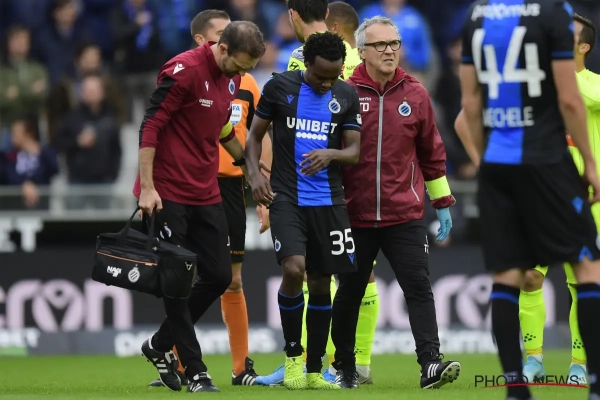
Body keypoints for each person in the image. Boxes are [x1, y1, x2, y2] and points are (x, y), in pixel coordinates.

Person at [459, 1, 600, 400]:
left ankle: (520, 386)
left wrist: (485, 162)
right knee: (586, 269)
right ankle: (590, 382)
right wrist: (589, 165)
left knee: (506, 276)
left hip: (502, 168)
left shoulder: (477, 18)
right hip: (552, 170)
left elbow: (469, 106)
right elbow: (570, 100)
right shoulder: (551, 15)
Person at [134, 21, 267, 393]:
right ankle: (196, 371)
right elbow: (150, 126)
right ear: (222, 48)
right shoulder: (184, 70)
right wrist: (148, 188)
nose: (241, 74)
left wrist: (251, 170)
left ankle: (159, 344)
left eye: (248, 68)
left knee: (220, 276)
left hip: (205, 191)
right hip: (167, 191)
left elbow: (223, 129)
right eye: (239, 65)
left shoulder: (231, 79)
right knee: (177, 280)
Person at [329, 16, 460, 390]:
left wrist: (442, 202)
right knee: (350, 292)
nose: (389, 51)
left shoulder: (416, 93)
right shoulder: (343, 94)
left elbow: (431, 152)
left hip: (404, 214)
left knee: (418, 287)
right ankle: (345, 367)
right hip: (353, 214)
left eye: (394, 44)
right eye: (380, 45)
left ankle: (430, 365)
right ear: (361, 52)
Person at [254, 0, 377, 386]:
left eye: (333, 76)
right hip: (287, 197)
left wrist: (331, 154)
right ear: (306, 63)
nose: (327, 83)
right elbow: (255, 136)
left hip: (329, 200)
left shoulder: (346, 95)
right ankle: (293, 357)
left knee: (323, 282)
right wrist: (255, 176)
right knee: (294, 269)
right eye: (321, 76)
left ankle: (314, 368)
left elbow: (354, 151)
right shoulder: (280, 87)